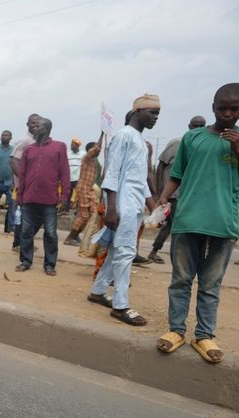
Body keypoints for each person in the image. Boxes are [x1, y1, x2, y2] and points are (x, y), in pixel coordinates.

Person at [156, 83, 239, 363]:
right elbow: (176, 174)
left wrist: (238, 149)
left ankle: (204, 335)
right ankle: (176, 330)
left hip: (222, 223)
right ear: (213, 106)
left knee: (211, 285)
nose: (227, 113)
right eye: (221, 107)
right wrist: (163, 198)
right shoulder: (192, 138)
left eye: (234, 108)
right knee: (180, 280)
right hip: (187, 219)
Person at [87, 94, 160, 327]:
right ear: (138, 111)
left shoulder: (140, 141)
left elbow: (140, 179)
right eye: (152, 112)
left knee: (116, 251)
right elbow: (112, 173)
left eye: (158, 113)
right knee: (126, 254)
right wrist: (111, 209)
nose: (156, 117)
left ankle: (98, 292)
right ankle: (120, 305)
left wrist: (153, 207)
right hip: (122, 205)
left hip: (134, 204)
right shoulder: (123, 136)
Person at [147, 115, 207, 264]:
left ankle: (155, 251)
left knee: (172, 225)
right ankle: (174, 256)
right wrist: (162, 191)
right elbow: (161, 166)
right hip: (173, 194)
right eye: (195, 126)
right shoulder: (177, 143)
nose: (198, 129)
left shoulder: (201, 148)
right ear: (189, 126)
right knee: (176, 226)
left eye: (201, 126)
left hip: (188, 195)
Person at [15, 118, 70, 276]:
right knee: (25, 231)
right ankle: (26, 261)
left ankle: (50, 264)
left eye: (37, 125)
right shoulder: (29, 149)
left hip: (49, 199)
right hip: (29, 198)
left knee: (51, 233)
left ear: (46, 129)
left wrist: (64, 196)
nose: (34, 127)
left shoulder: (59, 147)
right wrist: (20, 196)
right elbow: (23, 175)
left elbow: (64, 173)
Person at [63, 135, 104, 246]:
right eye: (96, 150)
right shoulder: (87, 158)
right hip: (83, 189)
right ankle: (70, 237)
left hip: (90, 190)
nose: (98, 152)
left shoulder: (95, 162)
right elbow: (96, 149)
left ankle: (76, 235)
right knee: (83, 215)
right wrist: (102, 134)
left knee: (93, 214)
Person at [10, 113, 41, 251]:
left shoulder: (38, 141)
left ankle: (25, 241)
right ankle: (18, 243)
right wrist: (23, 180)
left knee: (32, 215)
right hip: (23, 185)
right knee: (23, 214)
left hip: (34, 185)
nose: (35, 126)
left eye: (38, 123)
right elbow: (13, 160)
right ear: (27, 124)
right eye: (33, 123)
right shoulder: (24, 141)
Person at [66, 137, 85, 212]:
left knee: (79, 195)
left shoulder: (83, 154)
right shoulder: (68, 154)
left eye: (73, 145)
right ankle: (66, 209)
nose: (71, 146)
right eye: (71, 144)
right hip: (69, 178)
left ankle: (78, 210)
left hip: (78, 178)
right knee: (68, 194)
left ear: (78, 146)